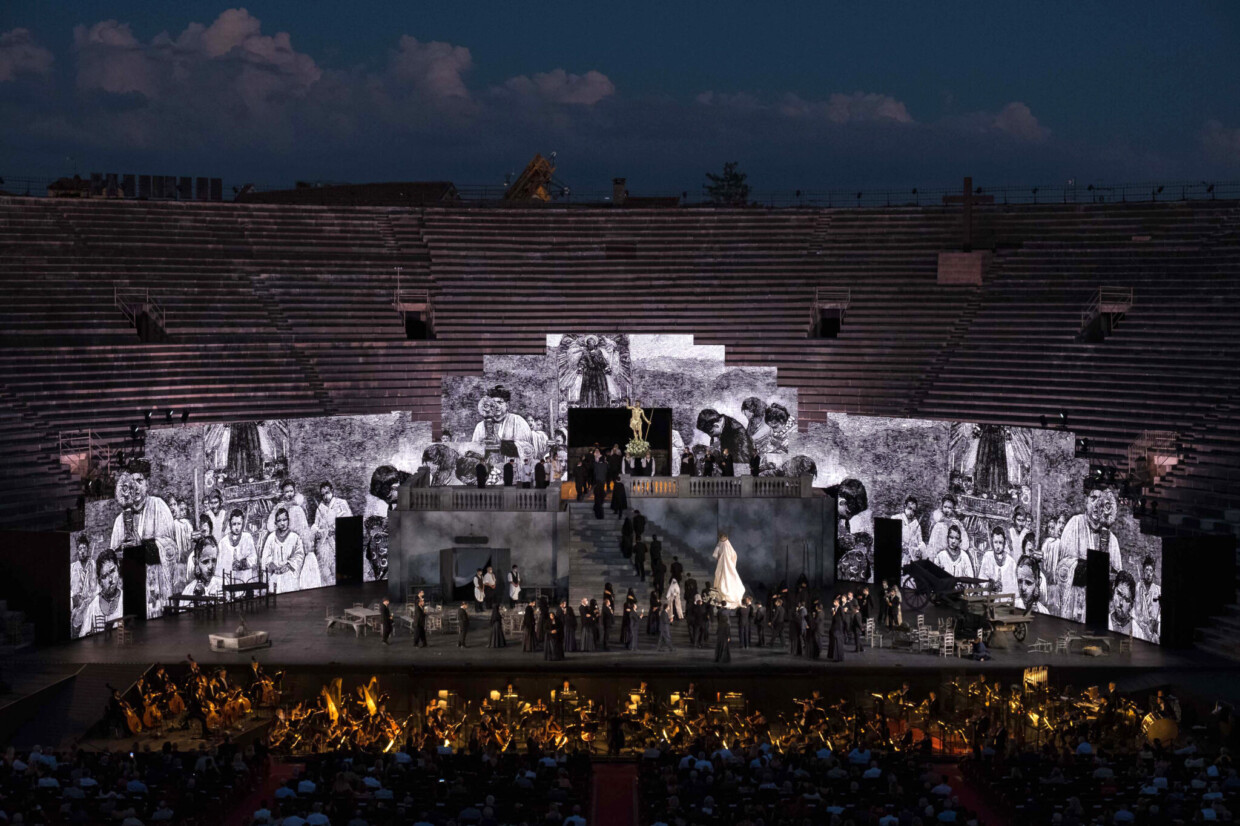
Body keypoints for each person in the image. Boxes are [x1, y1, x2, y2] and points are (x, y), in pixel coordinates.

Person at [79, 548, 123, 637]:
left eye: (112, 571)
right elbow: (82, 636)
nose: (110, 579)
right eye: (104, 576)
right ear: (99, 581)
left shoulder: (124, 599)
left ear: (118, 566)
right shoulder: (93, 607)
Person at [261, 508, 305, 595]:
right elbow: (265, 557)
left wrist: (288, 565)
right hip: (275, 574)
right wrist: (272, 565)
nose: (282, 523)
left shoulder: (295, 537)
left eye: (284, 520)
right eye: (279, 521)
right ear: (276, 523)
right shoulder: (271, 538)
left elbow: (299, 555)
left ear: (288, 520)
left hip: (289, 575)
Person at [711, 532, 746, 609]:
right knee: (731, 578)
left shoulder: (719, 544)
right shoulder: (728, 544)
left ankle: (723, 599)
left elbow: (714, 555)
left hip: (722, 565)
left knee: (721, 579)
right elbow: (734, 555)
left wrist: (719, 558)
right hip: (729, 565)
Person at [979, 526, 1018, 594]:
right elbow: (981, 577)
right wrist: (989, 585)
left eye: (1000, 542)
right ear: (992, 542)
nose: (997, 546)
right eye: (995, 542)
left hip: (1005, 598)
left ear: (1004, 543)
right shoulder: (987, 556)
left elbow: (1015, 585)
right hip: (989, 597)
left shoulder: (1011, 562)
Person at [1135, 555, 1161, 641]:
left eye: (1151, 570)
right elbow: (1136, 612)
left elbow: (1159, 613)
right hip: (1140, 629)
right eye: (1146, 570)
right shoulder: (1138, 587)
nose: (1149, 573)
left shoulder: (1157, 590)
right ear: (1143, 571)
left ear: (1153, 572)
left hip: (1153, 632)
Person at [1110, 571, 1137, 635]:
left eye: (1126, 599)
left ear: (1131, 605)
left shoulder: (1137, 632)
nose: (1121, 603)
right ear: (1114, 590)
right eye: (1119, 594)